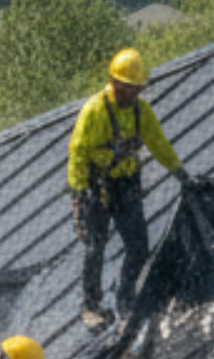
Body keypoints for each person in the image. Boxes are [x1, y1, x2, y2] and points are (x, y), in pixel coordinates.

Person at [66, 48, 191, 330]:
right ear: (117, 83)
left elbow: (159, 144)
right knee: (94, 248)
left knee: (138, 247)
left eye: (139, 88)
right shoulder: (95, 111)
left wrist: (179, 173)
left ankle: (125, 298)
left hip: (126, 186)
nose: (136, 93)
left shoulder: (140, 111)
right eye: (132, 87)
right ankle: (91, 306)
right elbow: (77, 153)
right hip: (95, 189)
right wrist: (79, 194)